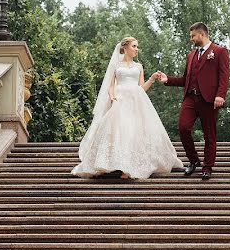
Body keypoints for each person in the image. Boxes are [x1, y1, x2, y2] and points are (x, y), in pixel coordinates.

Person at [73, 37, 184, 179]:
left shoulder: (139, 67)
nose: (137, 49)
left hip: (136, 101)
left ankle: (129, 168)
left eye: (137, 46)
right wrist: (112, 97)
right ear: (125, 47)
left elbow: (141, 88)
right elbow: (111, 85)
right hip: (120, 99)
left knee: (134, 131)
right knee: (119, 131)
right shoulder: (116, 65)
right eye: (134, 46)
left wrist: (151, 79)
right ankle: (116, 164)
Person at [156, 22, 230, 180]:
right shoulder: (190, 56)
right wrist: (167, 79)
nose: (191, 39)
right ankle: (194, 160)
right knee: (183, 128)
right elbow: (186, 79)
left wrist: (220, 95)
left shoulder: (219, 51)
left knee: (209, 135)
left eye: (193, 36)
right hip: (190, 98)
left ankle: (207, 167)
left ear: (202, 34)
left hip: (209, 100)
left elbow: (224, 75)